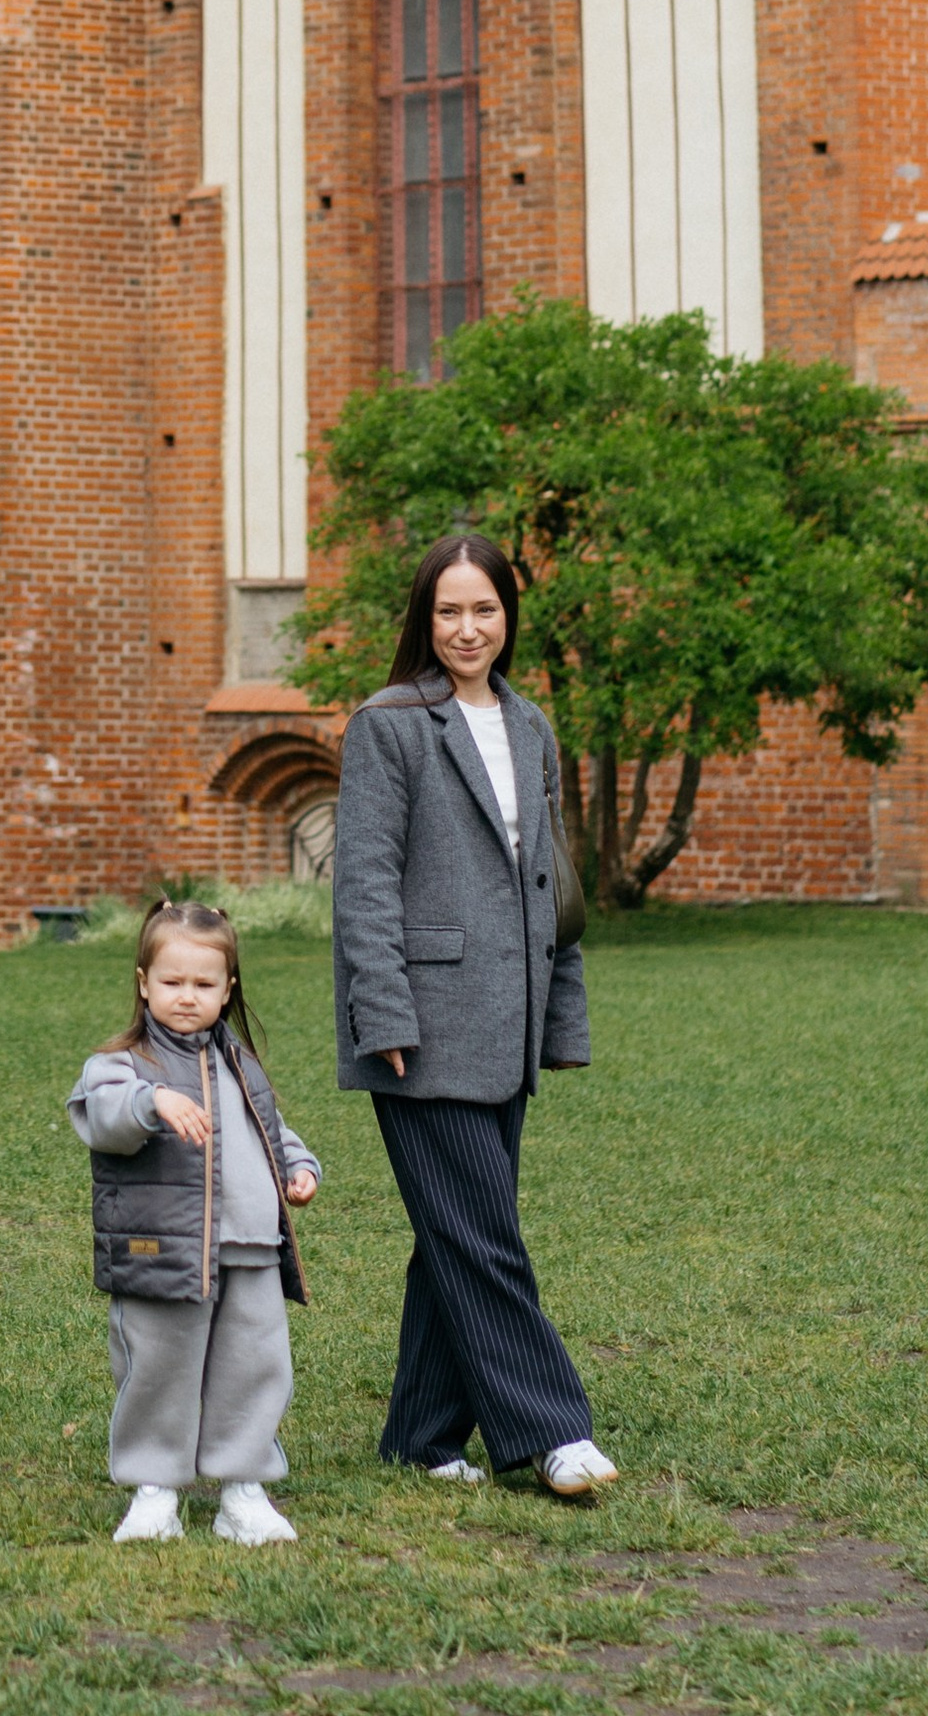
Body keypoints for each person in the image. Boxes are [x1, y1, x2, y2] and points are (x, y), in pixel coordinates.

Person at [330, 530, 615, 1502]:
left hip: (510, 1020)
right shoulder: (388, 725)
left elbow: (551, 885)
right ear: (424, 618)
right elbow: (363, 886)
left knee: (454, 1231)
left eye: (483, 610)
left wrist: (560, 1020)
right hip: (420, 1025)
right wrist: (382, 1017)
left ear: (508, 618)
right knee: (482, 1233)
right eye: (448, 611)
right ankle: (552, 1430)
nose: (466, 628)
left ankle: (420, 1437)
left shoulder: (531, 725)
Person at [67, 897, 322, 1544]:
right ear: (144, 983)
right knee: (159, 1366)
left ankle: (243, 1489)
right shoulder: (123, 1064)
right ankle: (155, 1491)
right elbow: (101, 1114)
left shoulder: (240, 1062)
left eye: (204, 984)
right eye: (172, 982)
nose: (187, 997)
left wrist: (298, 1166)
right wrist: (153, 1102)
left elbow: (270, 1128)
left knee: (255, 1366)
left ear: (228, 988)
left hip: (251, 1247)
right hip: (163, 1250)